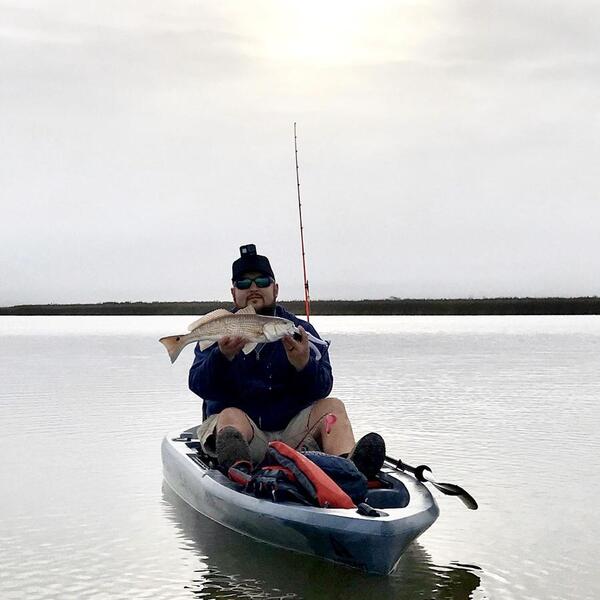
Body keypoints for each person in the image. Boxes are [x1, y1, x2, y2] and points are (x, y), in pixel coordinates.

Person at [189, 244, 385, 479]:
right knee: (230, 414)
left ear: (276, 289)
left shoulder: (299, 330)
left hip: (294, 436)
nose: (253, 288)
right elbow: (198, 385)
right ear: (233, 293)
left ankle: (349, 472)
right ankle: (239, 473)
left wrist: (304, 365)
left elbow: (323, 388)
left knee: (333, 406)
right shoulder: (220, 330)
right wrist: (222, 357)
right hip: (245, 436)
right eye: (243, 283)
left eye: (262, 281)